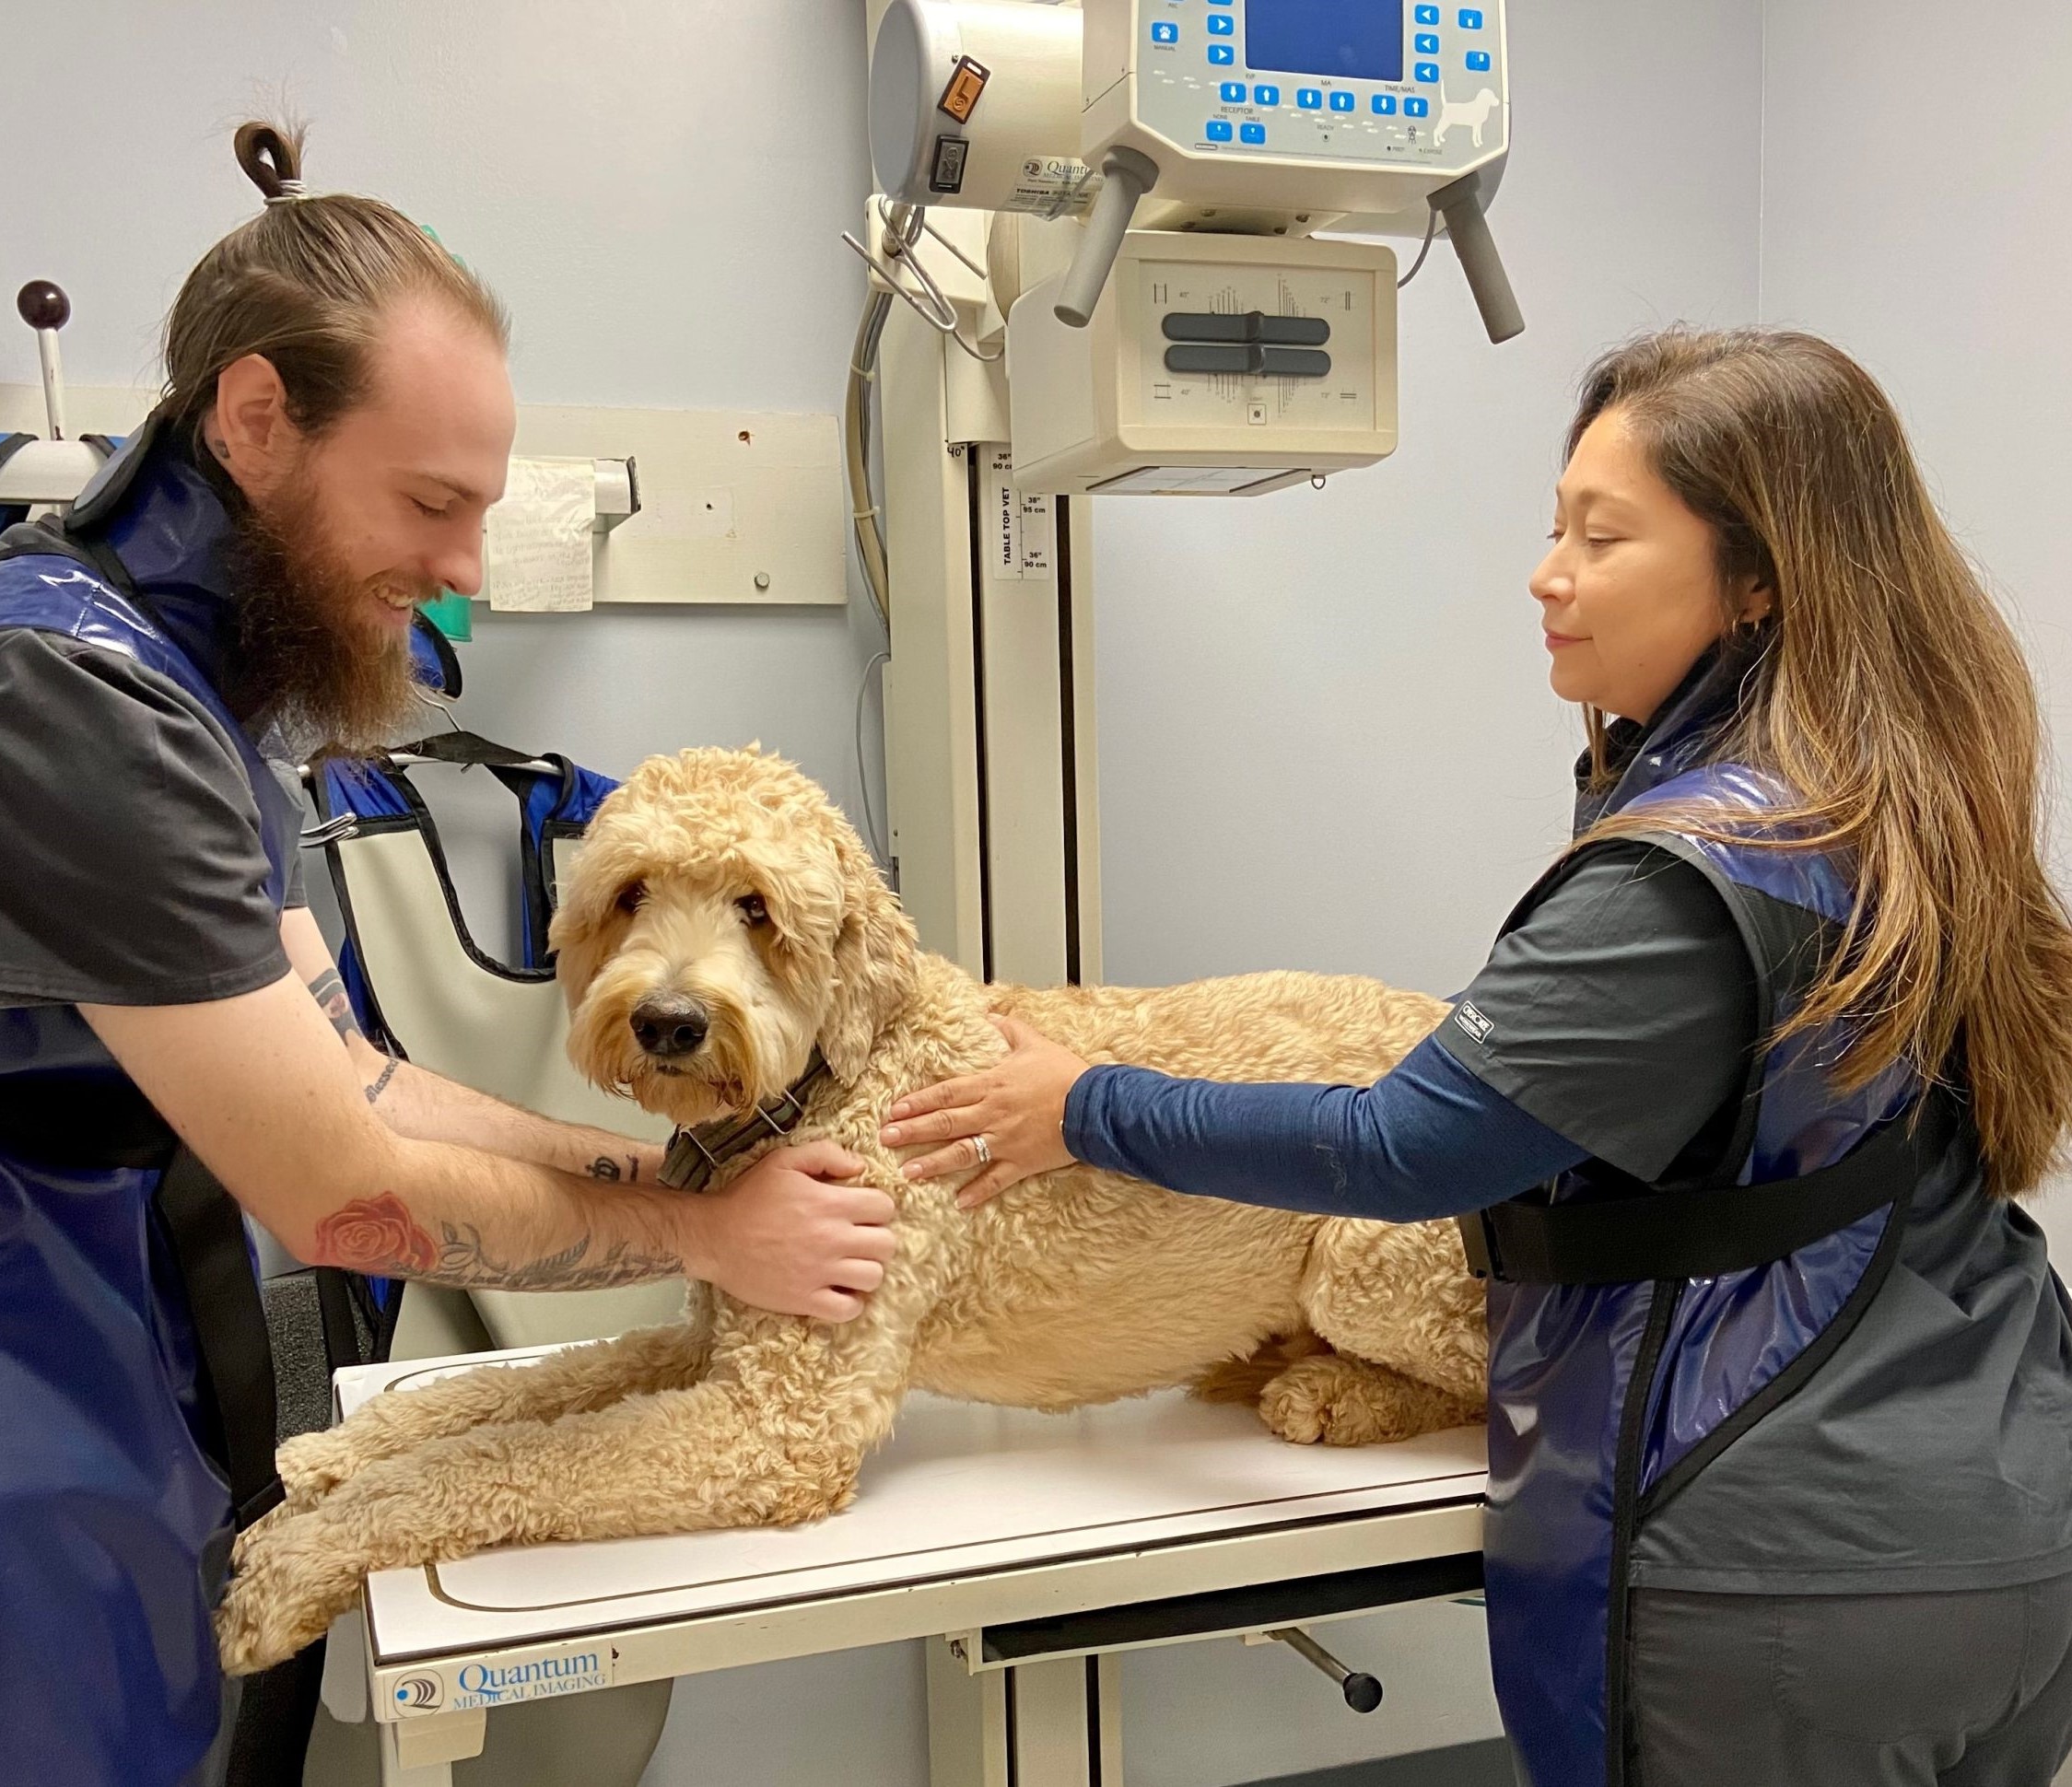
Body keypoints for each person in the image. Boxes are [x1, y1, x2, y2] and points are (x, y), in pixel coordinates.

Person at [0, 123, 896, 1787]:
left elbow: (355, 1073)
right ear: (255, 420)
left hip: (66, 1332)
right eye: (430, 501)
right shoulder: (59, 702)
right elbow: (341, 1189)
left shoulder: (172, 687)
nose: (465, 571)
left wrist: (681, 1186)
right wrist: (707, 1242)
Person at [882, 328, 2072, 1787]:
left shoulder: (1683, 878)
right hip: (2008, 1515)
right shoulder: (1906, 804)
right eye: (1552, 524)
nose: (1545, 572)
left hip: (1779, 1575)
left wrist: (1083, 1104)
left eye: (1602, 534)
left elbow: (1403, 1149)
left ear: (1757, 579)